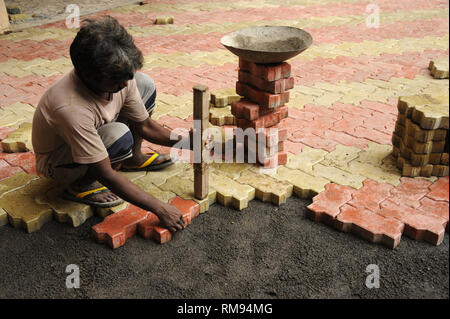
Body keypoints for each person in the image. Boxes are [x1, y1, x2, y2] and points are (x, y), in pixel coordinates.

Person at [31, 16, 188, 233]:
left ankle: (134, 158)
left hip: (93, 133)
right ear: (89, 76)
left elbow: (146, 126)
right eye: (115, 81)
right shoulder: (69, 108)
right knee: (119, 135)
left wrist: (189, 142)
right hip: (61, 163)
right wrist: (160, 208)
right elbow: (106, 173)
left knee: (144, 84)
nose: (124, 84)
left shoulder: (121, 77)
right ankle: (79, 184)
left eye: (125, 77)